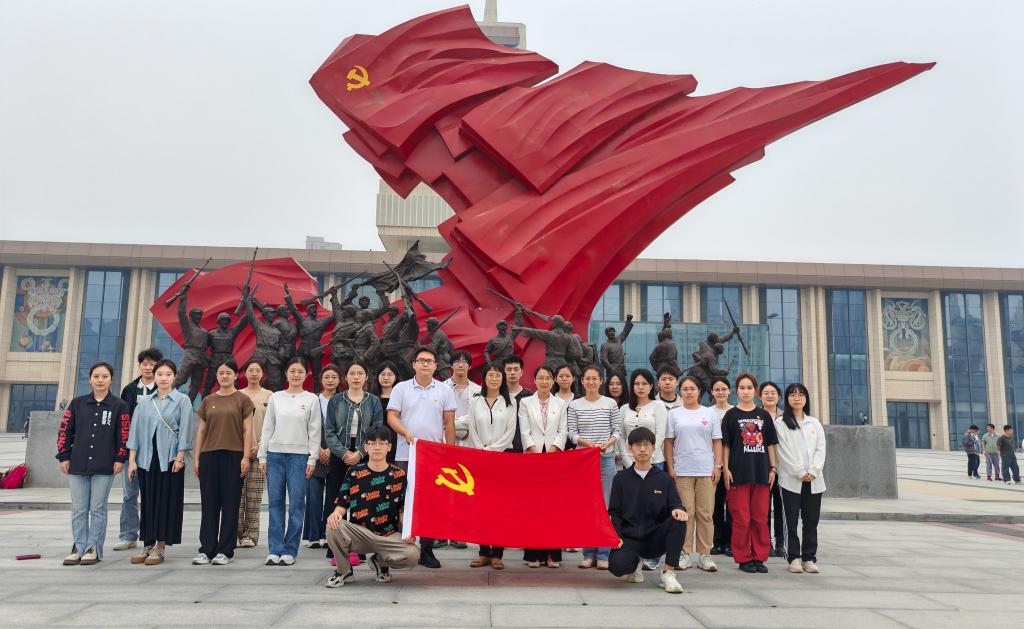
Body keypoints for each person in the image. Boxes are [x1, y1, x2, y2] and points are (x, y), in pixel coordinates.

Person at [386, 346, 457, 569]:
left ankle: (427, 549)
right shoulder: (401, 388)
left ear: (435, 366)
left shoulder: (445, 390)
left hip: (434, 457)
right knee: (403, 500)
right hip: (406, 453)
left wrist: (450, 452)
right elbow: (392, 416)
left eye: (429, 361)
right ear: (414, 365)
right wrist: (406, 432)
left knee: (431, 503)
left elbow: (449, 422)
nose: (425, 364)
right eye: (421, 360)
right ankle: (402, 547)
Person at [323, 425, 420, 588]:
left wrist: (409, 531)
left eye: (382, 443)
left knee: (413, 554)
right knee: (333, 525)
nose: (377, 447)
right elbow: (342, 504)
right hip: (359, 534)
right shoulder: (354, 472)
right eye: (372, 443)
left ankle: (379, 561)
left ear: (389, 447)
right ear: (365, 447)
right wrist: (335, 514)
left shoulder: (399, 475)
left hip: (388, 536)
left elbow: (403, 510)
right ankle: (344, 571)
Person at [57, 362, 130, 566]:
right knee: (79, 509)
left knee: (98, 508)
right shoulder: (77, 404)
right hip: (78, 464)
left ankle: (93, 548)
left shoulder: (119, 406)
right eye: (96, 376)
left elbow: (124, 435)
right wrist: (64, 456)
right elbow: (64, 431)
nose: (100, 380)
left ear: (111, 380)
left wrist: (120, 458)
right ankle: (78, 546)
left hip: (105, 465)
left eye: (105, 376)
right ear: (90, 379)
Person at [125, 359, 193, 565]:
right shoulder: (144, 401)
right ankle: (147, 544)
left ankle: (160, 547)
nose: (163, 378)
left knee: (165, 502)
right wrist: (132, 460)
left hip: (170, 459)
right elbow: (135, 432)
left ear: (174, 377)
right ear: (154, 376)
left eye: (168, 374)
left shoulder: (182, 400)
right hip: (146, 459)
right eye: (160, 374)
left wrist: (180, 457)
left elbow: (186, 430)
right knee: (147, 502)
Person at [607, 427, 688, 594]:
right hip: (629, 538)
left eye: (646, 445)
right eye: (638, 445)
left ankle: (668, 572)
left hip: (655, 538)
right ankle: (634, 565)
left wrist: (678, 510)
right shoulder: (621, 478)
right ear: (630, 448)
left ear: (653, 447)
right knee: (617, 566)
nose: (642, 449)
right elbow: (614, 512)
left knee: (679, 519)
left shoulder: (664, 479)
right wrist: (616, 536)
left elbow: (676, 504)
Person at [259, 357, 321, 566]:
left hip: (299, 457)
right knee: (275, 503)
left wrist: (312, 458)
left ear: (306, 375)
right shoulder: (276, 397)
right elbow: (268, 427)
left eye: (300, 371)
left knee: (296, 504)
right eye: (292, 371)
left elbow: (315, 431)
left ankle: (289, 550)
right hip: (275, 455)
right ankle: (274, 549)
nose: (296, 375)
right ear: (286, 373)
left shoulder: (311, 399)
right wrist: (263, 455)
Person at [192, 359, 254, 566]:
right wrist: (197, 458)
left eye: (228, 373)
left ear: (236, 375)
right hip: (209, 456)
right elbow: (201, 431)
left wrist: (245, 457)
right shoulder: (208, 400)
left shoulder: (243, 400)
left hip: (234, 456)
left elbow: (247, 430)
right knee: (209, 504)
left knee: (230, 504)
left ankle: (226, 550)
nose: (224, 376)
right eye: (221, 373)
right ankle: (206, 549)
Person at [324, 361, 384, 563]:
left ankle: (359, 547)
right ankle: (335, 546)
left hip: (364, 454)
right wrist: (344, 454)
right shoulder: (336, 401)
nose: (356, 377)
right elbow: (329, 432)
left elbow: (376, 429)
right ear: (346, 377)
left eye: (360, 373)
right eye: (352, 373)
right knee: (335, 498)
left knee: (362, 500)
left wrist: (359, 453)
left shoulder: (373, 401)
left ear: (366, 377)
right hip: (339, 454)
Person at [663, 375, 722, 573]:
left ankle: (705, 554)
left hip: (706, 470)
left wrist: (718, 466)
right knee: (685, 513)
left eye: (692, 389)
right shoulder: (674, 414)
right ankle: (685, 552)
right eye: (685, 389)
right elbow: (669, 442)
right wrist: (671, 467)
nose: (689, 392)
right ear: (680, 392)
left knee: (705, 513)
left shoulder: (709, 413)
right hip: (682, 470)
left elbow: (717, 441)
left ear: (699, 391)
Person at [722, 373, 778, 574]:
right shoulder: (731, 415)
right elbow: (726, 445)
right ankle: (744, 558)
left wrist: (773, 468)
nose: (746, 391)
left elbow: (770, 444)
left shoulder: (764, 416)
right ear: (736, 391)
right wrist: (725, 468)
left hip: (761, 474)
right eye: (742, 388)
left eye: (749, 388)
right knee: (742, 518)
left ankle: (759, 556)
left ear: (755, 391)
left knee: (760, 517)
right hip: (738, 474)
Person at [568, 365, 622, 569]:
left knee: (606, 507)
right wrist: (584, 443)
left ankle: (603, 554)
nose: (591, 382)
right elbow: (571, 433)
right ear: (582, 381)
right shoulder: (575, 405)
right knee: (586, 507)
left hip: (606, 459)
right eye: (587, 379)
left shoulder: (610, 404)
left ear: (601, 381)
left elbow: (617, 430)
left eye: (595, 379)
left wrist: (608, 443)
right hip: (583, 461)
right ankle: (588, 553)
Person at [464, 363, 518, 568]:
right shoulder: (474, 401)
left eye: (497, 375)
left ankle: (497, 554)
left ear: (502, 379)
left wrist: (493, 450)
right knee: (481, 507)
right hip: (480, 458)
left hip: (503, 459)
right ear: (484, 378)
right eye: (490, 375)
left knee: (500, 508)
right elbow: (472, 429)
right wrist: (482, 451)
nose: (494, 378)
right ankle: (484, 552)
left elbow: (510, 432)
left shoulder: (510, 402)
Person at [618, 368, 668, 570]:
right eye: (637, 383)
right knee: (632, 509)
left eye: (644, 383)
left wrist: (649, 459)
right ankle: (634, 552)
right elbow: (621, 436)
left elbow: (661, 434)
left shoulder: (658, 406)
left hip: (654, 463)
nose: (640, 387)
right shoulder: (624, 409)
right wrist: (628, 460)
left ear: (651, 386)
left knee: (653, 508)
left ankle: (653, 555)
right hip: (630, 465)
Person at [114, 347, 163, 552]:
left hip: (156, 450)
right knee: (129, 494)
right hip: (131, 450)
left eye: (152, 364)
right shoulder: (130, 389)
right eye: (145, 364)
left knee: (153, 494)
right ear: (140, 366)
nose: (148, 367)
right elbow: (123, 420)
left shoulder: (163, 388)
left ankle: (154, 536)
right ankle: (128, 535)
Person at [519, 364, 568, 568]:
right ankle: (533, 555)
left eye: (548, 378)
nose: (544, 381)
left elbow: (563, 431)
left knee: (553, 508)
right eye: (540, 378)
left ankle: (552, 555)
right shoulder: (525, 402)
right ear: (534, 380)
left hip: (554, 460)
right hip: (532, 459)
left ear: (553, 380)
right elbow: (524, 431)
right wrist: (536, 453)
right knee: (533, 507)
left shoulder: (561, 403)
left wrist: (553, 451)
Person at [774, 383, 826, 574]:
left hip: (814, 480)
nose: (797, 398)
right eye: (793, 394)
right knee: (791, 520)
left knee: (811, 520)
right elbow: (782, 451)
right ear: (787, 398)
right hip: (791, 480)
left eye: (801, 395)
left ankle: (809, 558)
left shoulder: (814, 423)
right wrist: (799, 472)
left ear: (806, 399)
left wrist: (813, 470)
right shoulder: (780, 423)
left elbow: (821, 448)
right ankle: (793, 557)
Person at [304, 364, 340, 550]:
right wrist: (318, 450)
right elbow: (305, 425)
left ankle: (328, 534)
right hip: (314, 452)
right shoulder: (313, 400)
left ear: (339, 380)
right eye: (327, 377)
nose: (330, 380)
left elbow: (344, 428)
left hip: (336, 454)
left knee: (332, 497)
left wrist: (331, 450)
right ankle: (313, 535)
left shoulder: (343, 400)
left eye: (334, 377)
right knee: (313, 495)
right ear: (321, 379)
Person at [238, 360, 272, 548]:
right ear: (244, 373)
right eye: (250, 370)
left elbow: (272, 425)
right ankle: (235, 533)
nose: (254, 373)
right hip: (238, 453)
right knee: (236, 497)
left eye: (257, 370)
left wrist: (260, 446)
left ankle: (250, 535)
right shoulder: (237, 395)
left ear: (263, 374)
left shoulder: (270, 396)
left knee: (254, 497)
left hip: (260, 454)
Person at [759, 381, 787, 557]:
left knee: (780, 506)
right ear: (760, 396)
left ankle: (780, 543)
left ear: (779, 396)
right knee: (763, 508)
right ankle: (766, 542)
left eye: (773, 393)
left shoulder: (786, 417)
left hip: (783, 469)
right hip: (763, 467)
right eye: (766, 393)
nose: (769, 396)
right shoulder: (756, 416)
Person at [708, 377, 734, 556]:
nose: (720, 392)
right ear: (711, 392)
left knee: (732, 507)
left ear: (729, 391)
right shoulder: (707, 412)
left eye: (724, 389)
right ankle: (717, 542)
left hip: (732, 466)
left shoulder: (735, 411)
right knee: (716, 507)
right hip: (713, 466)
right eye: (717, 389)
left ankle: (731, 542)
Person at [444, 349, 481, 447]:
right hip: (445, 439)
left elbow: (478, 416)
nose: (460, 365)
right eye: (457, 361)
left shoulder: (479, 391)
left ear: (470, 366)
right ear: (451, 365)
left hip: (471, 440)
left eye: (464, 362)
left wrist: (452, 424)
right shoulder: (441, 388)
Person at [503, 354, 534, 453]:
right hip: (500, 448)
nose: (512, 373)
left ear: (521, 372)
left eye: (516, 369)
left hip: (524, 448)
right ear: (503, 372)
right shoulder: (497, 395)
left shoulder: (530, 396)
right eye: (509, 369)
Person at [371, 362, 401, 464]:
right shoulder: (371, 398)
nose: (386, 378)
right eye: (383, 374)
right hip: (376, 440)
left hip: (397, 439)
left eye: (390, 374)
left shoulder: (401, 397)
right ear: (377, 376)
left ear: (396, 377)